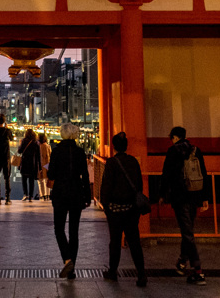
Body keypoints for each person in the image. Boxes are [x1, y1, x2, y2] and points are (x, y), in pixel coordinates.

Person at [159, 125, 209, 286]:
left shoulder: (173, 151)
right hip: (194, 195)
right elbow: (204, 173)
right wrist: (205, 197)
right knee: (188, 230)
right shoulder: (196, 150)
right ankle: (182, 262)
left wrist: (161, 195)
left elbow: (166, 174)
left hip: (179, 197)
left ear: (174, 137)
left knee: (187, 233)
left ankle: (198, 271)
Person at [99, 132, 147, 287]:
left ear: (113, 147)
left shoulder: (112, 163)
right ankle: (141, 273)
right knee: (134, 241)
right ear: (126, 146)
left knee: (115, 241)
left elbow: (106, 186)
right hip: (132, 208)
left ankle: (113, 271)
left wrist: (105, 205)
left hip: (115, 208)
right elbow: (139, 184)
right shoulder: (133, 161)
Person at [47, 122, 91, 279]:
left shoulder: (56, 151)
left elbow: (51, 175)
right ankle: (72, 268)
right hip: (76, 193)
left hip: (60, 193)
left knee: (59, 228)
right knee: (74, 232)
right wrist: (88, 195)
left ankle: (67, 259)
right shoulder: (80, 152)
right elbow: (85, 175)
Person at [17, 128, 41, 201]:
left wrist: (19, 146)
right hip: (32, 164)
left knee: (24, 180)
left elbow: (20, 151)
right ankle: (31, 196)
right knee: (31, 181)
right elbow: (38, 155)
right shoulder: (35, 143)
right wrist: (39, 167)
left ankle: (25, 194)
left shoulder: (24, 141)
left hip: (24, 163)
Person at [37, 133, 52, 200]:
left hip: (39, 165)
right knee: (46, 180)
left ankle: (42, 195)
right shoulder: (48, 146)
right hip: (46, 165)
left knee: (40, 181)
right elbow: (50, 156)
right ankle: (47, 195)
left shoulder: (38, 146)